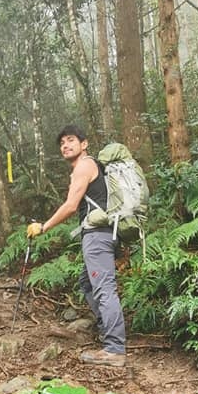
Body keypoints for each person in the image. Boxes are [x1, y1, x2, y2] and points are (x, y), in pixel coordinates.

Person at [26, 125, 126, 367]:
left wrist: (44, 227)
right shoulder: (93, 166)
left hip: (97, 235)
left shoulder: (84, 166)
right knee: (87, 282)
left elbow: (71, 205)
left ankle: (114, 349)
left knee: (104, 288)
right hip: (102, 233)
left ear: (84, 144)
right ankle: (107, 331)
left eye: (71, 140)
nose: (65, 145)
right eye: (62, 143)